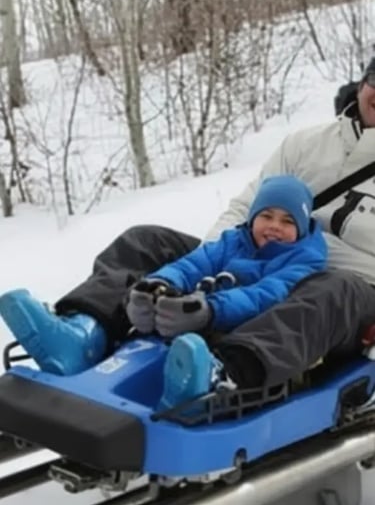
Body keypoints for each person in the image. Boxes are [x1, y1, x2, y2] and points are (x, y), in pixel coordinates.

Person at [2, 58, 375, 392]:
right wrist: (206, 271)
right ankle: (85, 331)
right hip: (256, 254)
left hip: (348, 295)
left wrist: (304, 256)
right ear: (362, 84)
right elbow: (246, 208)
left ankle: (221, 375)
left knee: (335, 288)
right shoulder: (305, 145)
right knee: (146, 241)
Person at [125, 175, 327, 409]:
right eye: (266, 216)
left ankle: (201, 388)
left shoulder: (305, 261)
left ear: (301, 229)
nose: (274, 226)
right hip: (206, 321)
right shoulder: (233, 241)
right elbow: (192, 265)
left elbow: (266, 295)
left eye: (287, 221)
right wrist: (158, 285)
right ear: (252, 218)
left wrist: (211, 309)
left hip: (252, 335)